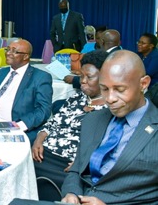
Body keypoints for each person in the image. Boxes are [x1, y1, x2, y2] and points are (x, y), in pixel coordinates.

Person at [61, 50, 158, 205]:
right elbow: (76, 169)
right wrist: (71, 192)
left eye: (120, 90)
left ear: (143, 84)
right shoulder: (93, 119)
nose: (110, 99)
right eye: (104, 89)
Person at [32, 50, 109, 192]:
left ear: (105, 78)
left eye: (89, 77)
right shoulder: (77, 98)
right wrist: (39, 138)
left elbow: (107, 144)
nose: (83, 81)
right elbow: (53, 122)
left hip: (70, 163)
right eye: (81, 76)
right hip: (44, 153)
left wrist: (84, 162)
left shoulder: (111, 108)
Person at [0, 39, 52, 144]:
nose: (8, 53)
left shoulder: (40, 77)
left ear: (26, 56)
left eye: (14, 51)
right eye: (8, 49)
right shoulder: (0, 73)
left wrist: (18, 126)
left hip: (17, 130)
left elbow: (43, 110)